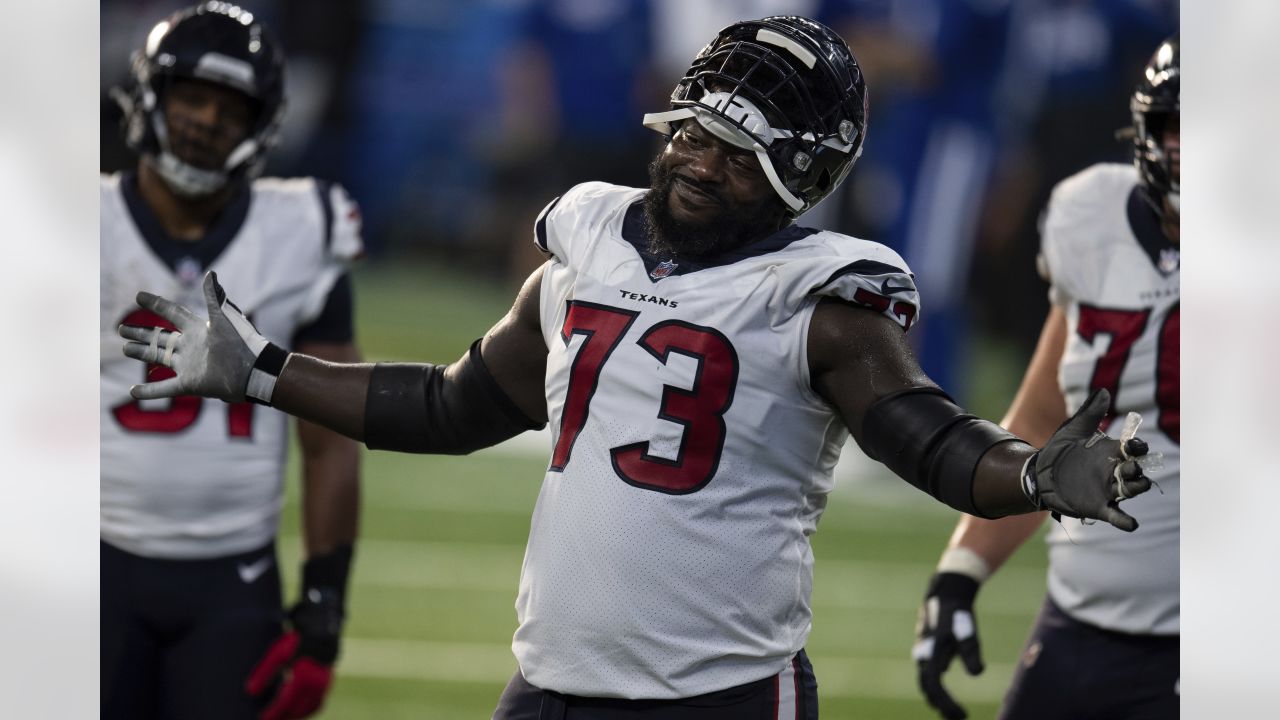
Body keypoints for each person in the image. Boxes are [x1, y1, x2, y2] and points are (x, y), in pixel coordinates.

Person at [118, 16, 1155, 719]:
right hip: (552, 681)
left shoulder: (822, 298)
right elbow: (449, 403)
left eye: (735, 153)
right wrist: (262, 371)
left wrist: (1026, 474)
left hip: (723, 692)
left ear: (797, 174)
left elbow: (924, 434)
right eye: (695, 134)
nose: (699, 162)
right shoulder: (592, 246)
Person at [101, 4, 363, 719]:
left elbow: (332, 437)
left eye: (230, 107)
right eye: (191, 95)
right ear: (152, 94)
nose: (206, 120)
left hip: (232, 582)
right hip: (91, 564)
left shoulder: (302, 229)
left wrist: (323, 604)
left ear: (262, 125)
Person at [911, 36, 1179, 720]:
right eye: (1174, 126)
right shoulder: (1088, 215)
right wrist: (961, 572)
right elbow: (1043, 420)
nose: (1186, 150)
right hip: (1082, 625)